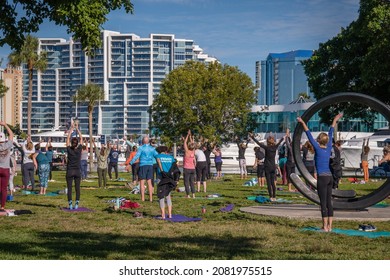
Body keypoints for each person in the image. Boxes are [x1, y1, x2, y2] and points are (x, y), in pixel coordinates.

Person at [297, 113, 343, 232]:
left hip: (322, 178)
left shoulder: (317, 148)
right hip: (329, 178)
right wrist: (334, 120)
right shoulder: (328, 148)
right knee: (329, 202)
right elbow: (331, 131)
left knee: (323, 203)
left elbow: (308, 134)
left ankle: (325, 226)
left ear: (319, 141)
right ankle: (330, 227)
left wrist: (302, 123)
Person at [249, 133, 284, 201]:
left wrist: (252, 137)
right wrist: (285, 136)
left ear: (267, 142)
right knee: (273, 182)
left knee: (268, 182)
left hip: (267, 166)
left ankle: (271, 196)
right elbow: (280, 141)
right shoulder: (275, 147)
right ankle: (274, 196)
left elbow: (259, 143)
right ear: (273, 141)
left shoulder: (266, 148)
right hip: (273, 167)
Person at [130, 135, 158, 202]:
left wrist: (130, 163)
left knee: (142, 182)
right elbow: (157, 156)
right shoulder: (152, 148)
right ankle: (151, 198)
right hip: (150, 165)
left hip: (143, 165)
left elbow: (136, 156)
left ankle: (143, 198)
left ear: (142, 141)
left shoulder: (141, 148)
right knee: (149, 182)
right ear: (148, 141)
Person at [156, 146, 180, 219]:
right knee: (168, 195)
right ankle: (170, 214)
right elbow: (175, 166)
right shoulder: (171, 157)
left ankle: (163, 214)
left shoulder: (158, 156)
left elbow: (158, 162)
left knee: (161, 195)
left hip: (161, 177)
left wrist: (161, 169)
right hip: (169, 177)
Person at [65, 123, 83, 209]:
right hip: (77, 171)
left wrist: (71, 129)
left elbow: (68, 139)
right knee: (77, 188)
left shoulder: (69, 149)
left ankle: (70, 204)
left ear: (72, 143)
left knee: (69, 188)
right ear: (77, 144)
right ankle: (77, 203)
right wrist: (77, 129)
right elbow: (81, 138)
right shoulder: (79, 150)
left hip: (69, 171)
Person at [0, 121, 14, 210]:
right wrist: (5, 125)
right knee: (4, 189)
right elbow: (11, 134)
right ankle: (3, 206)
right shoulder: (8, 145)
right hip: (6, 169)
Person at [182, 130, 196, 198]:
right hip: (193, 168)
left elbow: (184, 142)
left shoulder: (187, 151)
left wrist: (187, 135)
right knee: (192, 182)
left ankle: (188, 195)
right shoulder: (193, 151)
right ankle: (193, 194)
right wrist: (190, 136)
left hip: (187, 168)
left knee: (186, 182)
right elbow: (193, 143)